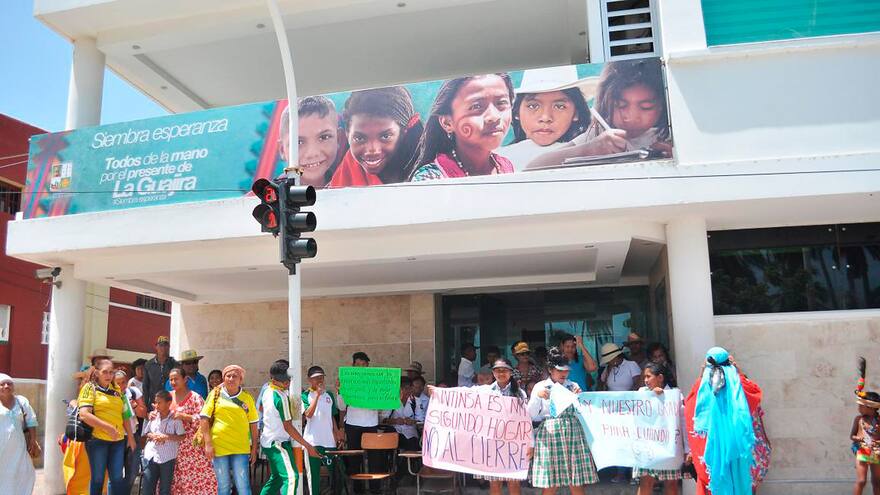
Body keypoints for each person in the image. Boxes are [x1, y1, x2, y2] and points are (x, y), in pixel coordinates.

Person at [527, 58, 672, 169]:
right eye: (620, 105)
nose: (631, 116)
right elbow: (533, 167)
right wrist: (590, 148)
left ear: (662, 105)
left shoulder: (670, 135)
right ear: (606, 101)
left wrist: (677, 157)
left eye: (646, 107)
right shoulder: (598, 135)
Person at [684, 347, 762, 495]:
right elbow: (755, 394)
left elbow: (691, 412)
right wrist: (738, 372)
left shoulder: (701, 390)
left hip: (708, 450)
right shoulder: (739, 386)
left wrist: (701, 377)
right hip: (737, 450)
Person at [410, 73, 515, 180]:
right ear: (447, 122)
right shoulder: (430, 178)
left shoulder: (505, 166)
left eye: (501, 103)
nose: (493, 116)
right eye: (476, 106)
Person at [527, 347, 597, 494]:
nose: (564, 373)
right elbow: (531, 415)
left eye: (566, 370)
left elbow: (583, 413)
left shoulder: (573, 386)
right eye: (560, 370)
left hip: (573, 434)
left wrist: (579, 398)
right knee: (551, 481)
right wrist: (537, 397)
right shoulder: (540, 387)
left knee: (576, 480)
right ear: (551, 369)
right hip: (549, 434)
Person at [328, 86, 424, 187]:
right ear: (347, 134)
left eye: (385, 136)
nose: (372, 150)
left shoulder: (427, 174)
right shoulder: (348, 171)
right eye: (359, 138)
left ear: (404, 132)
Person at [501, 65, 590, 170]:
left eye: (559, 106)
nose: (545, 117)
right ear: (516, 112)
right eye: (533, 106)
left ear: (576, 113)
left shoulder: (588, 155)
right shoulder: (496, 157)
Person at [260, 360, 321, 495]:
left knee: (277, 479)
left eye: (288, 380)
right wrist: (308, 446)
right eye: (284, 381)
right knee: (292, 477)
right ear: (274, 379)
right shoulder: (280, 396)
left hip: (269, 441)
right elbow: (288, 427)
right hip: (277, 443)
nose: (287, 383)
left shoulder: (267, 391)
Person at [77, 357, 137, 495]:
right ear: (97, 373)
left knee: (117, 479)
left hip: (118, 441)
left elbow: (125, 414)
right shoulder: (89, 388)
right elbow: (84, 414)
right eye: (105, 372)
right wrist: (108, 427)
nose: (109, 376)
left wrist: (131, 437)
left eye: (111, 372)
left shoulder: (116, 389)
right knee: (98, 480)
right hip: (97, 441)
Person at [199, 365, 259, 495]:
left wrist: (254, 448)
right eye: (228, 376)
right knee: (224, 486)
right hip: (219, 447)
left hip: (240, 448)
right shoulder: (215, 395)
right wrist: (208, 444)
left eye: (235, 376)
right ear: (224, 378)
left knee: (243, 486)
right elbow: (204, 418)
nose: (231, 379)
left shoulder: (247, 398)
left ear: (240, 380)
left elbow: (254, 424)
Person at [633, 362, 690, 495]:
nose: (646, 380)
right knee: (646, 482)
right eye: (644, 377)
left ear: (660, 378)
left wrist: (688, 449)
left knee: (671, 484)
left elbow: (683, 423)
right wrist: (652, 395)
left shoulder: (675, 396)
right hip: (648, 447)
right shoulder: (642, 393)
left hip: (670, 447)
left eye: (649, 376)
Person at [474, 359, 527, 495]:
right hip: (493, 442)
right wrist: (438, 392)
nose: (501, 373)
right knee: (495, 482)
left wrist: (529, 443)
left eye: (504, 370)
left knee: (513, 481)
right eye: (498, 370)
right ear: (493, 373)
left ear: (510, 372)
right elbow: (463, 393)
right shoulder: (485, 391)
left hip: (514, 442)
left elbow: (526, 420)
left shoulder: (519, 393)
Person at [168, 367, 217, 495]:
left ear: (185, 379)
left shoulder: (195, 398)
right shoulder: (167, 397)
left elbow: (205, 420)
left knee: (197, 480)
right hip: (171, 447)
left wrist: (186, 417)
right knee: (175, 480)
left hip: (192, 448)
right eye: (171, 379)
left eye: (176, 379)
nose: (173, 382)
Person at [339, 351, 382, 494]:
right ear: (353, 366)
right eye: (358, 364)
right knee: (354, 459)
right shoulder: (348, 381)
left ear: (368, 366)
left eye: (364, 364)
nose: (361, 367)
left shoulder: (375, 382)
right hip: (352, 424)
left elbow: (382, 404)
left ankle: (375, 490)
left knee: (375, 458)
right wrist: (340, 391)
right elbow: (341, 406)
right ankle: (358, 490)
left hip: (371, 423)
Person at [280, 96, 346, 188]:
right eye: (298, 142)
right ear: (282, 150)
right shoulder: (261, 198)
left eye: (324, 137)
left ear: (338, 139)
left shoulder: (353, 187)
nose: (312, 153)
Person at [302, 365, 344, 495]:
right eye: (316, 378)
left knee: (338, 473)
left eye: (321, 377)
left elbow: (332, 417)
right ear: (309, 380)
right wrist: (317, 396)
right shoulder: (305, 395)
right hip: (312, 442)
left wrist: (338, 435)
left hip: (329, 442)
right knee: (313, 477)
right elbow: (308, 414)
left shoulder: (329, 395)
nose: (319, 380)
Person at [0, 373, 40, 495]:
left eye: (9, 383)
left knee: (24, 472)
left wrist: (33, 440)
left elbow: (31, 421)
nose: (6, 386)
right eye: (2, 384)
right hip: (2, 447)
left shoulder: (21, 401)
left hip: (19, 447)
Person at [141, 390, 186, 495]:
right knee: (147, 488)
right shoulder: (153, 416)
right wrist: (152, 435)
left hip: (167, 458)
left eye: (159, 402)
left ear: (169, 403)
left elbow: (182, 436)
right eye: (155, 402)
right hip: (151, 455)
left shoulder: (175, 418)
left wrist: (167, 437)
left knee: (165, 490)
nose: (156, 405)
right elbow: (146, 432)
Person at [115, 369, 146, 493]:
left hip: (133, 435)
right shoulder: (110, 395)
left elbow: (143, 413)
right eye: (117, 383)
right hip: (117, 437)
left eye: (123, 382)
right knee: (115, 474)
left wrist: (134, 406)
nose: (121, 386)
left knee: (132, 473)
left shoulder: (133, 392)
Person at [853, 357, 880, 495]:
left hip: (877, 452)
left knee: (877, 481)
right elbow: (852, 435)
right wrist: (858, 439)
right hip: (863, 451)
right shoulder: (859, 419)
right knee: (861, 481)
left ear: (871, 408)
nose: (859, 408)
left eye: (861, 406)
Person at [143, 336, 178, 412]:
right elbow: (145, 387)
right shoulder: (148, 365)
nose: (163, 348)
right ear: (156, 347)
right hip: (154, 405)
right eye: (161, 345)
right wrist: (146, 406)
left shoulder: (174, 364)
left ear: (169, 347)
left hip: (171, 404)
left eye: (166, 345)